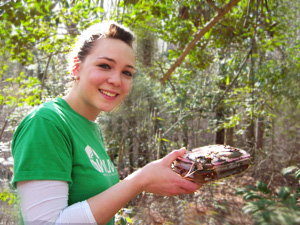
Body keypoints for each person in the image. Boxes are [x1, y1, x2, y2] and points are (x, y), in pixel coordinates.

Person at [11, 21, 200, 225]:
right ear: (76, 67)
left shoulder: (90, 128)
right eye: (104, 66)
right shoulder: (46, 123)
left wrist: (145, 182)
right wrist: (140, 180)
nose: (116, 80)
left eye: (127, 72)